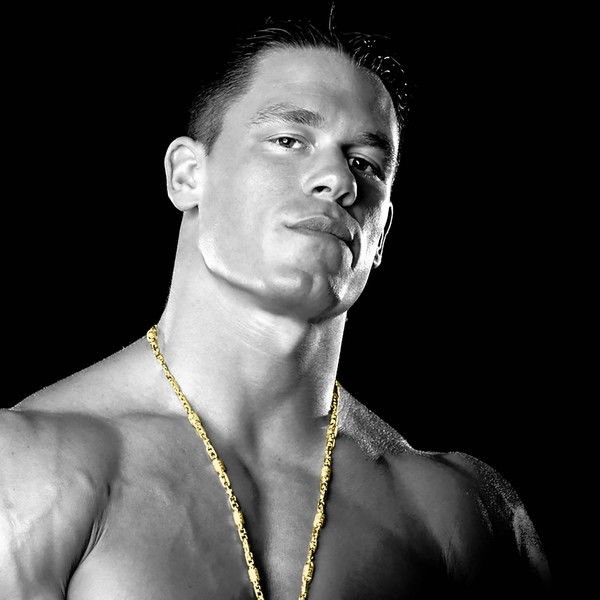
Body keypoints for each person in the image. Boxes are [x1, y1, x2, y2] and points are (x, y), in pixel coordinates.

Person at [0, 18, 551, 600]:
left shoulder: (460, 513)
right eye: (289, 141)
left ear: (382, 233)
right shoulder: (32, 465)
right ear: (188, 175)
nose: (337, 180)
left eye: (365, 163)